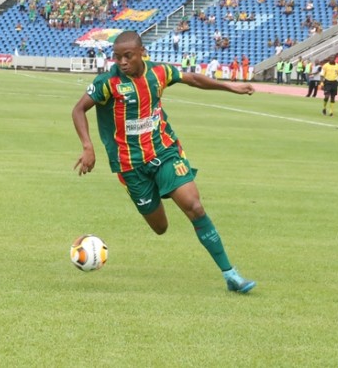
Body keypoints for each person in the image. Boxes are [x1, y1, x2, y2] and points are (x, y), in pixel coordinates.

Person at [72, 31, 256, 293]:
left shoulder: (159, 72)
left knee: (194, 207)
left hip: (164, 152)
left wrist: (230, 86)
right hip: (130, 165)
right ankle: (163, 187)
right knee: (160, 227)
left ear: (141, 53)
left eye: (128, 56)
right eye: (117, 57)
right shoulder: (107, 83)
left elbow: (192, 78)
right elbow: (78, 110)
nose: (122, 62)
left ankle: (231, 275)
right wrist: (88, 147)